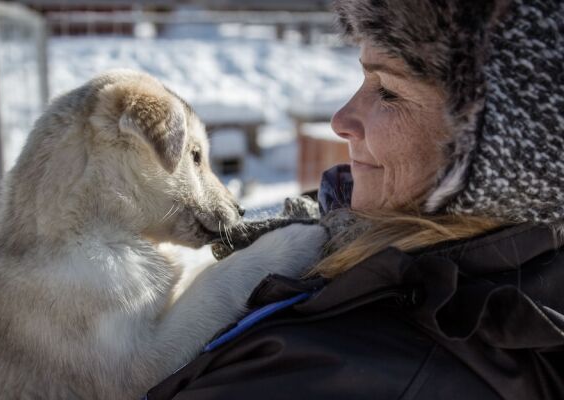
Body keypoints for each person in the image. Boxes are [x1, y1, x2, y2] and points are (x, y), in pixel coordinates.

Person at [146, 0, 564, 398]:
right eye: (363, 79)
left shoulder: (335, 371)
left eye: (388, 92)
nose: (340, 119)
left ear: (499, 148)